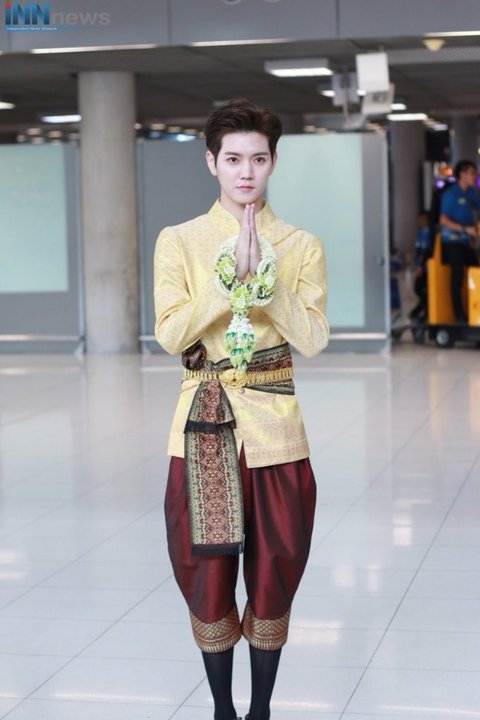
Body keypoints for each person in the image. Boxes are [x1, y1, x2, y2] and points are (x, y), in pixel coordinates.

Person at [153, 98, 329, 720]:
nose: (245, 172)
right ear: (212, 163)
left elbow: (313, 338)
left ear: (273, 161)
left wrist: (266, 283)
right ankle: (223, 710)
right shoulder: (179, 241)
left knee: (277, 567)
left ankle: (261, 711)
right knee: (204, 574)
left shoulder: (300, 245)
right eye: (232, 159)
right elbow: (171, 334)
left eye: (257, 158)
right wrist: (228, 283)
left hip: (276, 433)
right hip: (202, 430)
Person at [440, 159, 480, 322]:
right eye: (472, 173)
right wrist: (464, 228)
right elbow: (443, 220)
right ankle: (458, 314)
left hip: (466, 242)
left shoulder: (472, 194)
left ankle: (474, 308)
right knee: (457, 274)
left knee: (475, 271)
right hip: (452, 241)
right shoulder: (451, 194)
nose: (474, 176)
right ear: (462, 174)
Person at [410, 210, 431, 320]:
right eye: (420, 220)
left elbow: (427, 252)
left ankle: (425, 309)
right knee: (418, 288)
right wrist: (415, 263)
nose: (421, 222)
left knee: (421, 288)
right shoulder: (420, 233)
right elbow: (417, 250)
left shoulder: (430, 233)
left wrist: (421, 266)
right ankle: (423, 307)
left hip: (426, 267)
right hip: (420, 265)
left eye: (423, 219)